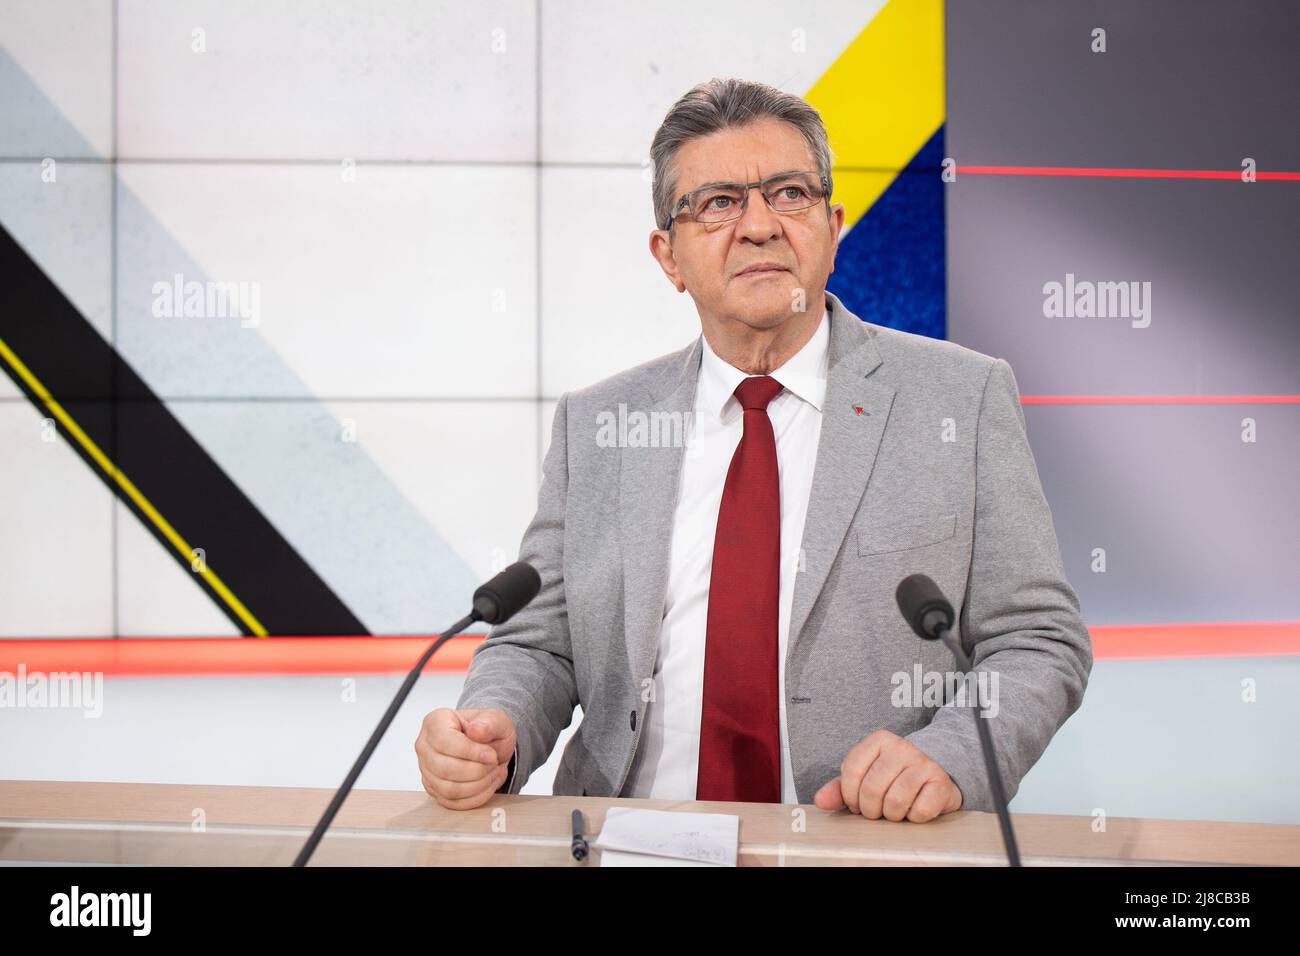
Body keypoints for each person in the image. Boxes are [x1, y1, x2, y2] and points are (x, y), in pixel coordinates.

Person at [415, 77, 1091, 823]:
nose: (761, 225)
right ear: (668, 257)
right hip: (627, 840)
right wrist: (492, 733)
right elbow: (538, 646)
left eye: (790, 194)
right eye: (718, 203)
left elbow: (1036, 639)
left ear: (833, 229)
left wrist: (953, 755)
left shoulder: (961, 397)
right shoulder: (598, 423)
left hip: (861, 840)